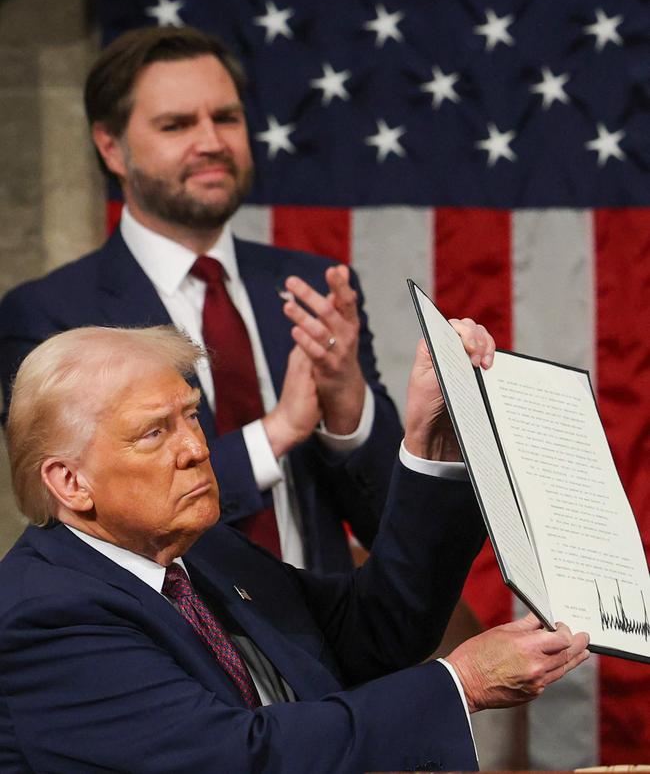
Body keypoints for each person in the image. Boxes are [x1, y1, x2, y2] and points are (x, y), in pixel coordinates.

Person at [0, 323, 589, 773]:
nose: (196, 449)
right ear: (70, 482)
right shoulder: (44, 614)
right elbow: (237, 758)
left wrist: (430, 447)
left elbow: (373, 630)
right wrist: (461, 685)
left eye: (191, 417)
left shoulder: (204, 554)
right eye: (154, 432)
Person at [0, 25, 403, 572]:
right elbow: (72, 528)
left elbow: (390, 521)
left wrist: (348, 407)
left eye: (227, 118)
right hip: (170, 643)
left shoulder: (313, 289)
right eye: (177, 124)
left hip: (327, 644)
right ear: (110, 148)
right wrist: (276, 432)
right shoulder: (52, 315)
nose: (212, 141)